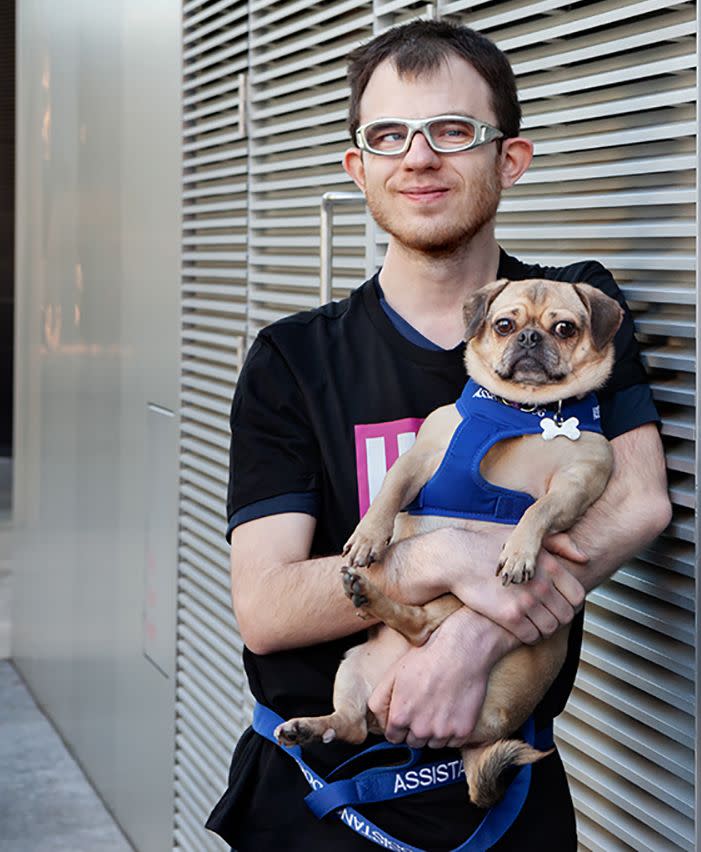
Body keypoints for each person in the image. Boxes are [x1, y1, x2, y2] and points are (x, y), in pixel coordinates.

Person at [206, 19, 671, 852]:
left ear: (510, 158)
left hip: (503, 799)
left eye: (453, 131)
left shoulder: (575, 311)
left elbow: (636, 503)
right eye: (388, 135)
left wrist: (468, 640)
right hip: (319, 804)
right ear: (358, 168)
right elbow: (265, 610)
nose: (418, 157)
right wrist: (432, 559)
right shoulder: (293, 358)